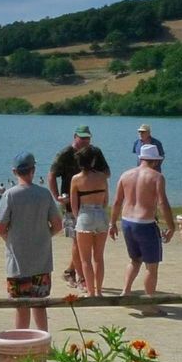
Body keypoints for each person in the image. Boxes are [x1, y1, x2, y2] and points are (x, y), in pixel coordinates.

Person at [0, 152, 63, 332]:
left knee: (20, 308)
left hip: (17, 264)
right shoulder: (44, 194)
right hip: (42, 263)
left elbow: (0, 228)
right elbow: (57, 225)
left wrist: (10, 239)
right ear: (33, 170)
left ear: (14, 171)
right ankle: (44, 344)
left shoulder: (9, 195)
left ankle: (21, 344)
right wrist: (44, 235)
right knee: (40, 307)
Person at [109, 144, 175, 298]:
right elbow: (162, 203)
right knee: (151, 267)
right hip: (145, 224)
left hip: (127, 222)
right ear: (156, 161)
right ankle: (149, 304)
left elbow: (117, 202)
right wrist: (171, 226)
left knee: (134, 260)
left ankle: (125, 292)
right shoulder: (157, 177)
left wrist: (112, 224)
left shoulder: (125, 175)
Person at [49, 125, 109, 291]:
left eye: (87, 138)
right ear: (75, 136)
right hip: (70, 203)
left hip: (92, 204)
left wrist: (91, 174)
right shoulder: (65, 154)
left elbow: (107, 173)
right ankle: (81, 278)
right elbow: (52, 175)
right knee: (77, 241)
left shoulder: (95, 153)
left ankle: (71, 272)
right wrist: (57, 197)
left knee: (83, 244)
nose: (85, 141)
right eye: (82, 138)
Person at [69, 145, 110, 297]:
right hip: (100, 214)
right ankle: (99, 291)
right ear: (92, 160)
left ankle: (91, 292)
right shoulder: (102, 177)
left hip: (85, 215)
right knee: (98, 257)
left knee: (85, 259)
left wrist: (78, 218)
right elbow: (106, 200)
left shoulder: (76, 179)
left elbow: (74, 205)